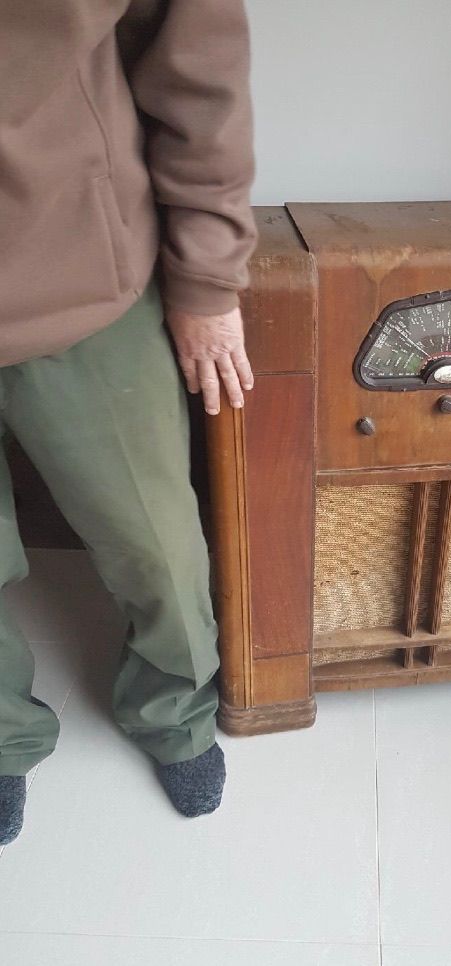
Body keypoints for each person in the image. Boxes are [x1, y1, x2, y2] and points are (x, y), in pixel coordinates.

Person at [0, 0, 259, 845]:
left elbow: (201, 78)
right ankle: (3, 739)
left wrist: (208, 280)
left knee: (153, 541)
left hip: (80, 267)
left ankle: (173, 714)